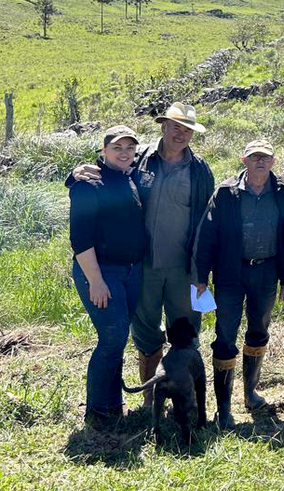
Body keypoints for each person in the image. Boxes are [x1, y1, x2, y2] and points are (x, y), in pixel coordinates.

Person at [71, 102, 215, 407]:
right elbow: (106, 177)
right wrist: (76, 174)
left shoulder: (200, 170)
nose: (181, 134)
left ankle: (184, 398)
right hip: (141, 268)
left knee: (185, 333)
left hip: (182, 268)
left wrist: (202, 270)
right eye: (176, 126)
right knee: (146, 335)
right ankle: (150, 399)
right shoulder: (139, 159)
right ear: (163, 127)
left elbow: (207, 222)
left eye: (188, 129)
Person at [193, 139, 284, 428]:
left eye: (265, 157)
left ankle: (251, 393)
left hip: (267, 271)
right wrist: (201, 277)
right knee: (225, 335)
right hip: (230, 273)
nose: (260, 162)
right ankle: (223, 410)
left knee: (259, 331)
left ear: (273, 162)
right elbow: (207, 235)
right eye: (254, 157)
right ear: (244, 160)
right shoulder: (226, 193)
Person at [69, 125, 147, 428]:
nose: (124, 153)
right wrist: (96, 280)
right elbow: (80, 239)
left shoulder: (129, 178)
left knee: (118, 338)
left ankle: (113, 406)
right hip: (102, 272)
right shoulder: (88, 185)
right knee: (112, 337)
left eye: (129, 147)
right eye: (117, 147)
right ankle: (98, 412)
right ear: (103, 151)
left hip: (131, 271)